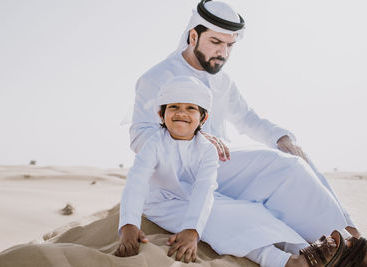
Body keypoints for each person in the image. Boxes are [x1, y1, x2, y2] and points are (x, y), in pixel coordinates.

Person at [127, 0, 367, 266]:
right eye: (216, 42)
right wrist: (189, 137)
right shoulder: (157, 77)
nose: (223, 52)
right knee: (243, 215)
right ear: (193, 36)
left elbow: (247, 118)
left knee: (290, 164)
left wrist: (281, 138)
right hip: (171, 184)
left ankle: (349, 242)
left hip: (220, 166)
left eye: (229, 46)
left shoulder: (222, 81)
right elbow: (139, 136)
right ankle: (294, 259)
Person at [116, 76, 219, 263]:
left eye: (191, 108)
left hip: (192, 201)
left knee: (246, 212)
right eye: (173, 107)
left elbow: (205, 188)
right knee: (224, 224)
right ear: (161, 114)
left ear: (203, 117)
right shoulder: (154, 144)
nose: (182, 113)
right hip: (160, 204)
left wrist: (192, 230)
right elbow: (136, 182)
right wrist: (129, 225)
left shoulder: (207, 150)